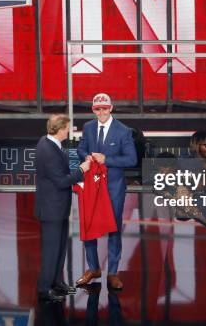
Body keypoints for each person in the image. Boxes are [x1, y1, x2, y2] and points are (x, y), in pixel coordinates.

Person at [76, 93, 137, 291]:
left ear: (111, 108)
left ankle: (112, 272)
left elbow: (131, 159)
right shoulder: (88, 127)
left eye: (104, 108)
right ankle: (93, 268)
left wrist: (106, 160)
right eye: (97, 109)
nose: (101, 112)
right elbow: (81, 148)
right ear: (94, 110)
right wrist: (87, 156)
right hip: (92, 186)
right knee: (89, 223)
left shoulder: (123, 131)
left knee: (113, 228)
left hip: (113, 188)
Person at [34, 114, 91, 302]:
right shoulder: (47, 149)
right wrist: (82, 170)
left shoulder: (51, 144)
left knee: (59, 249)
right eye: (68, 127)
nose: (70, 130)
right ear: (60, 129)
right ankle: (44, 289)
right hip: (51, 210)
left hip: (58, 208)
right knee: (51, 250)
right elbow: (61, 181)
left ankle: (57, 283)